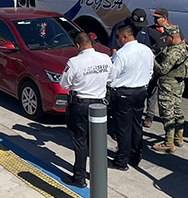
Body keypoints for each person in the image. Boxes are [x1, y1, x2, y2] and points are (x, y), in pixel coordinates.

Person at [59, 32, 112, 188]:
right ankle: (98, 175)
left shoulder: (74, 62)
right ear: (91, 42)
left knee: (80, 143)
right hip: (100, 107)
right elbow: (111, 78)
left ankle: (79, 178)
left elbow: (64, 84)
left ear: (77, 46)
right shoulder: (105, 58)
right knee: (97, 142)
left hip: (80, 106)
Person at [107, 25, 154, 170]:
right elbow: (151, 70)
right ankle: (135, 157)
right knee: (136, 125)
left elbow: (111, 76)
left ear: (125, 37)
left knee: (123, 129)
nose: (117, 41)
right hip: (141, 91)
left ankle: (121, 161)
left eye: (117, 38)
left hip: (123, 94)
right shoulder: (146, 50)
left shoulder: (121, 54)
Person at [152, 25, 188, 153]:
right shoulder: (186, 48)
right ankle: (178, 138)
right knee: (177, 109)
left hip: (168, 85)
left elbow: (163, 69)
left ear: (172, 37)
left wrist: (153, 60)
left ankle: (169, 143)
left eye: (166, 38)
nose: (164, 41)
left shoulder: (173, 52)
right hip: (179, 84)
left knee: (167, 112)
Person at [143, 7, 184, 128]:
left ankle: (170, 119)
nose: (154, 20)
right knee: (152, 91)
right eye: (154, 18)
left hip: (170, 67)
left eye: (157, 18)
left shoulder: (175, 29)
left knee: (170, 95)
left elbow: (181, 44)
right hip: (156, 65)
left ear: (165, 18)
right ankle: (149, 115)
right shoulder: (149, 30)